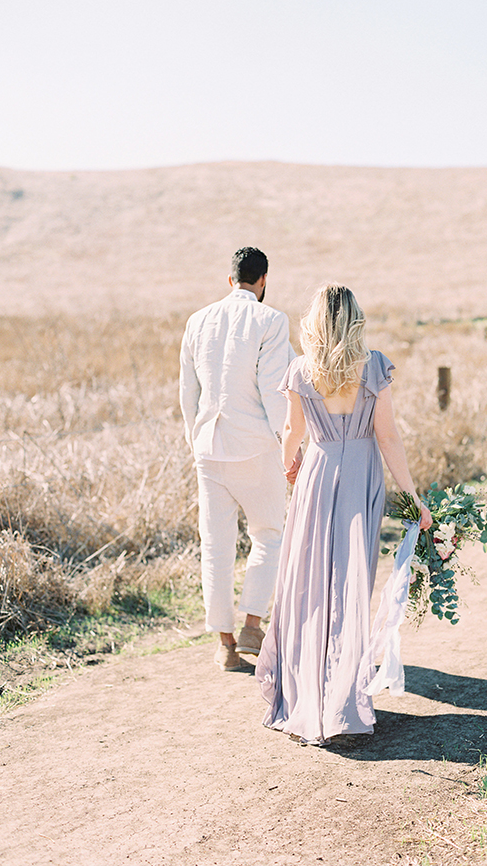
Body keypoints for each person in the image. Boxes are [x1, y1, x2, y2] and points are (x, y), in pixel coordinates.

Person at [255, 283, 432, 744]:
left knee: (310, 583)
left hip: (317, 472)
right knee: (351, 584)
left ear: (314, 321)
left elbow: (292, 432)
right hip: (361, 480)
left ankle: (305, 696)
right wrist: (413, 497)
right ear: (355, 319)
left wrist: (290, 465)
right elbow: (388, 436)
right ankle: (343, 702)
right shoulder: (372, 365)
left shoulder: (300, 369)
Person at [179, 248, 296, 671]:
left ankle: (225, 645)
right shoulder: (272, 320)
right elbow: (273, 391)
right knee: (268, 535)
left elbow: (187, 393)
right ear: (263, 280)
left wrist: (196, 441)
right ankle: (251, 623)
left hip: (209, 447)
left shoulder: (197, 320)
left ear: (231, 280)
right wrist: (291, 447)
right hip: (256, 446)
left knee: (216, 546)